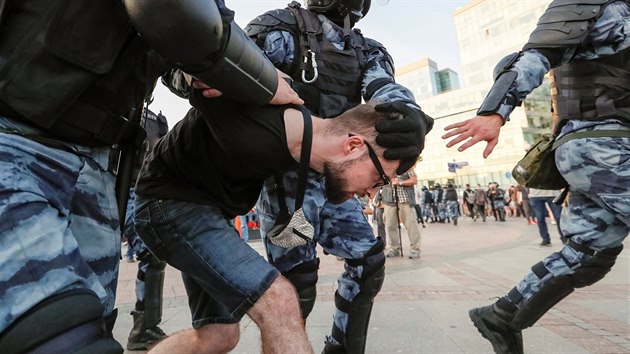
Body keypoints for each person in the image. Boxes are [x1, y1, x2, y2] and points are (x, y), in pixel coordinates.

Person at [0, 1, 305, 352]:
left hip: (98, 168)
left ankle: (142, 327)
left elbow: (178, 51)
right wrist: (261, 80)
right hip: (16, 142)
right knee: (60, 336)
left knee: (94, 321)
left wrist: (198, 72)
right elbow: (178, 13)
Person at [133, 88, 406, 353]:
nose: (373, 192)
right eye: (379, 178)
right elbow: (198, 75)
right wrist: (242, 78)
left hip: (210, 211)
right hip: (169, 203)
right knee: (280, 301)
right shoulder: (265, 120)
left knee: (218, 336)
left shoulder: (309, 144)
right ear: (353, 146)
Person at [245, 1, 433, 352]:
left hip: (339, 177)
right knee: (296, 282)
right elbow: (232, 71)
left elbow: (382, 87)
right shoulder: (280, 28)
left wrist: (409, 113)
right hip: (288, 181)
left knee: (368, 260)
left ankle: (342, 346)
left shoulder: (365, 49)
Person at [443, 1, 630, 352]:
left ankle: (501, 316)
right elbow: (534, 56)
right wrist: (493, 113)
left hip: (606, 148)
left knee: (587, 256)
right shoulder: (589, 4)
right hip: (601, 144)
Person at [123, 108, 170, 350]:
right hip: (107, 182)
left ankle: (145, 326)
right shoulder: (121, 104)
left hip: (140, 191)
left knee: (152, 253)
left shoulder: (155, 119)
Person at [381, 169, 422, 259]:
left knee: (411, 225)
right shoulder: (384, 167)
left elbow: (414, 180)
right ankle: (394, 248)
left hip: (405, 200)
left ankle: (415, 249)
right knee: (390, 225)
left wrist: (400, 182)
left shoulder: (407, 167)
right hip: (389, 200)